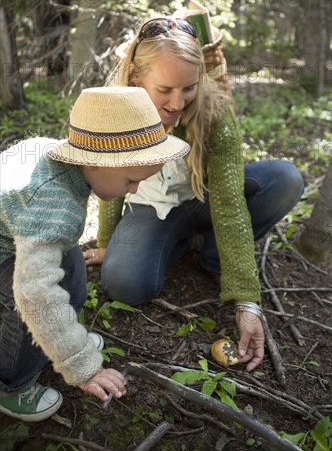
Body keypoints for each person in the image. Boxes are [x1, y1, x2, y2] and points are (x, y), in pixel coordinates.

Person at [85, 16, 304, 372]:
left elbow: (230, 206)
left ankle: (215, 257)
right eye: (165, 89)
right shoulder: (116, 108)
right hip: (151, 208)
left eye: (188, 88)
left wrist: (247, 301)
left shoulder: (213, 113)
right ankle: (183, 241)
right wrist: (108, 239)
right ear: (138, 78)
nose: (178, 102)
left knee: (285, 179)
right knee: (123, 284)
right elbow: (109, 179)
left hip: (206, 198)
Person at [0, 86, 190, 422]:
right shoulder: (53, 205)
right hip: (8, 251)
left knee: (69, 265)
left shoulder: (56, 159)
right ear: (95, 162)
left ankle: (58, 338)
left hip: (15, 232)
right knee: (29, 302)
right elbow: (34, 293)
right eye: (131, 181)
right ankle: (11, 383)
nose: (133, 191)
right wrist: (81, 364)